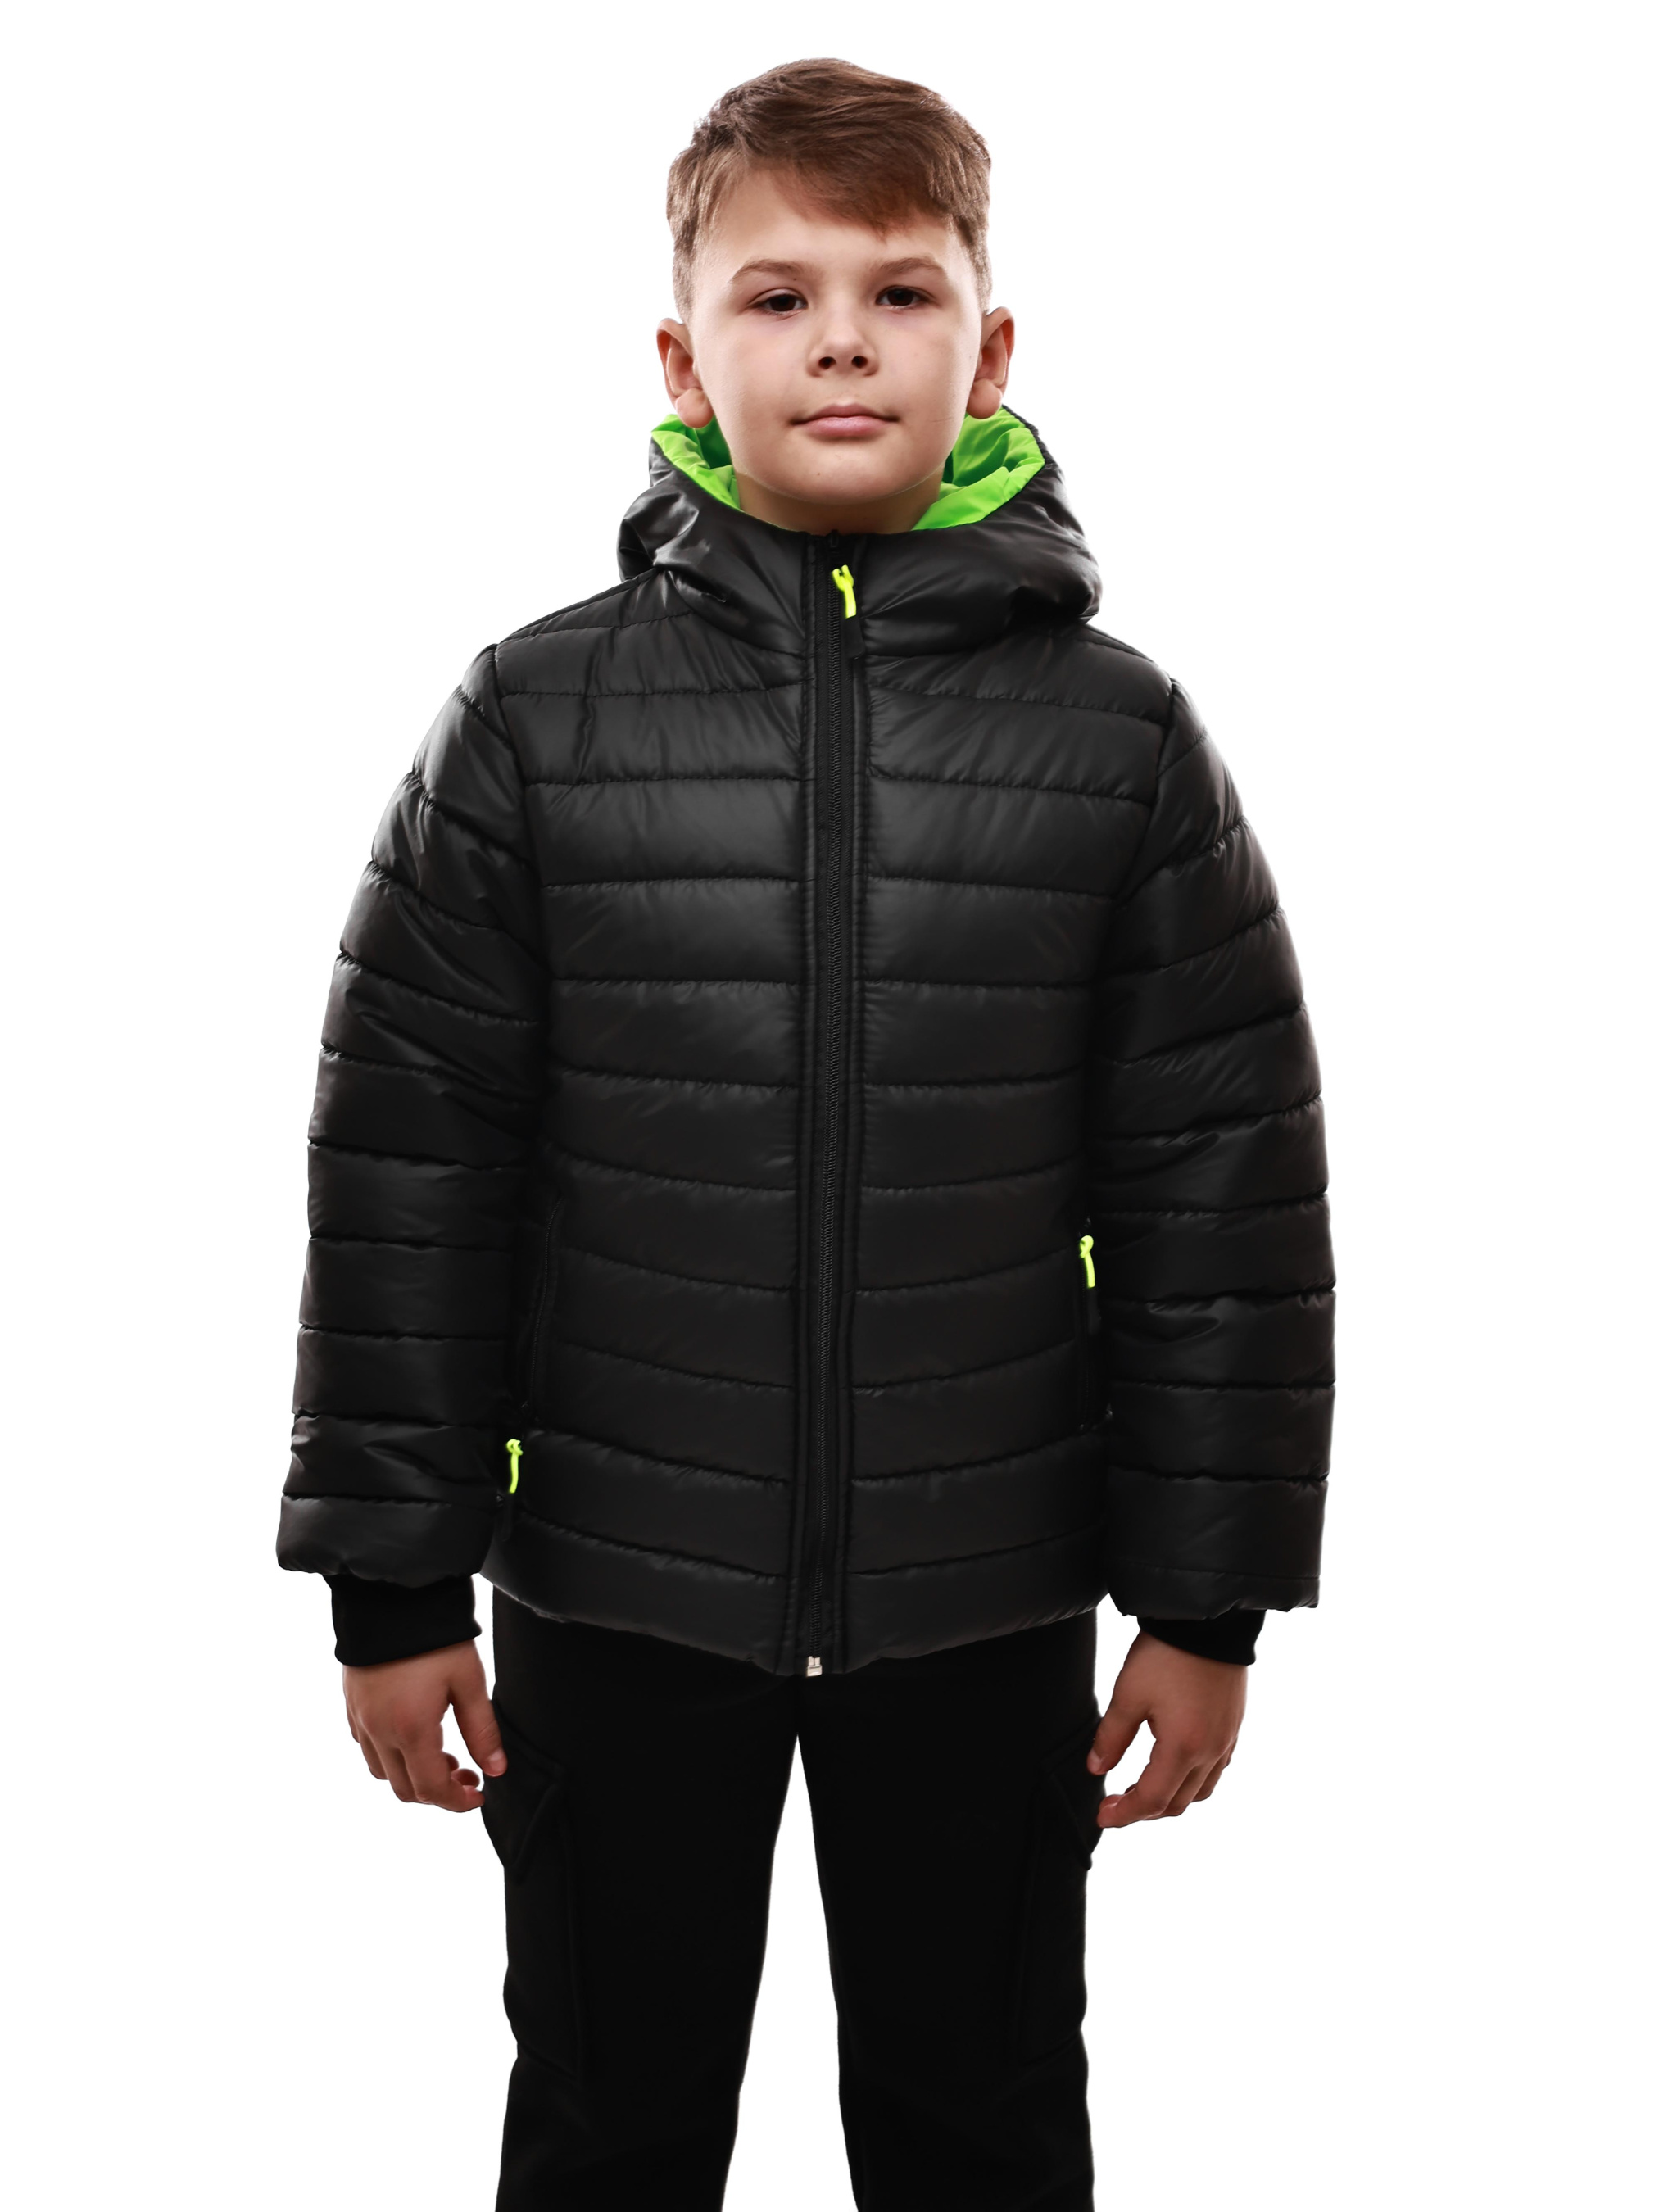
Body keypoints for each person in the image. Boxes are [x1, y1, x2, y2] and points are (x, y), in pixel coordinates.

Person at [278, 57, 1334, 2212]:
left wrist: (1206, 1599)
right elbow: (412, 1170)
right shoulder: (536, 720)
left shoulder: (1120, 741)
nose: (841, 339)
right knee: (610, 2119)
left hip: (984, 1600)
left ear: (987, 350)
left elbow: (1220, 1191)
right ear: (683, 359)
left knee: (978, 2127)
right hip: (612, 1591)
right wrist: (393, 1583)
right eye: (778, 296)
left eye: (898, 291)